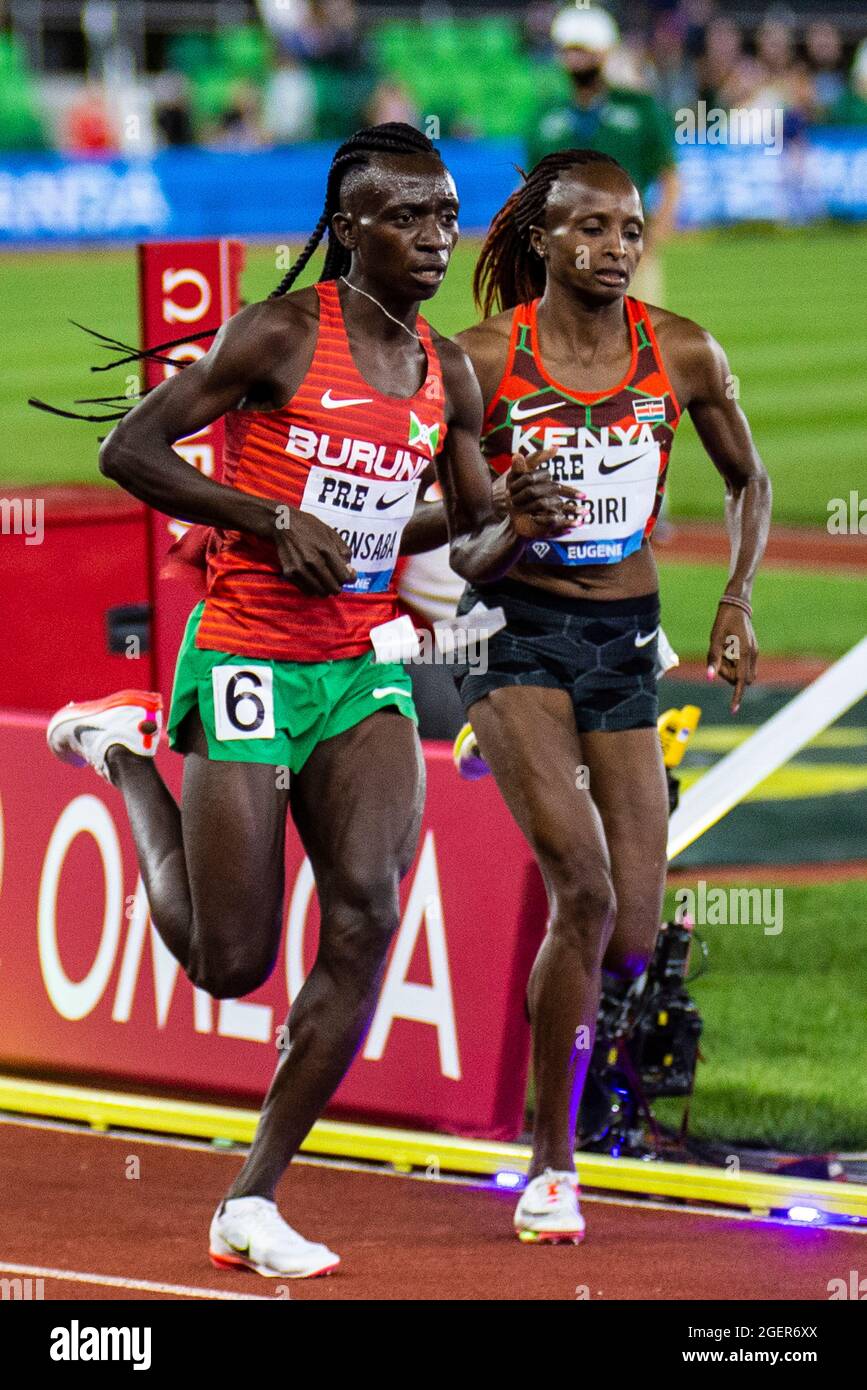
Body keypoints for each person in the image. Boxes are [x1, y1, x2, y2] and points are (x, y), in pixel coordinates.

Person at [45, 124, 577, 1278]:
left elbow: (456, 540)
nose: (437, 238)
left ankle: (250, 1196)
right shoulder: (280, 334)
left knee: (369, 915)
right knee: (229, 960)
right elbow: (130, 450)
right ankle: (125, 752)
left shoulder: (452, 371)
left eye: (446, 215)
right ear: (350, 227)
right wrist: (268, 517)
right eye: (409, 217)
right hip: (243, 651)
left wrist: (512, 525)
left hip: (361, 660)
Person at [402, 148, 771, 1242]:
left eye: (629, 231)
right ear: (543, 237)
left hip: (626, 636)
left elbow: (749, 480)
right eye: (591, 230)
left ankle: (512, 754)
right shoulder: (479, 362)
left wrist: (738, 598)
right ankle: (551, 1162)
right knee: (584, 886)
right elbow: (455, 548)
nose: (615, 250)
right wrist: (513, 518)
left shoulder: (685, 353)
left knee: (631, 928)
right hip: (511, 630)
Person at [530, 6, 679, 306]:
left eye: (583, 50)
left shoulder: (640, 109)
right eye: (570, 50)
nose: (576, 59)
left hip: (627, 244)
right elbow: (531, 190)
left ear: (605, 51)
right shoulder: (544, 118)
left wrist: (659, 232)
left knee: (639, 339)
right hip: (565, 251)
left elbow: (670, 176)